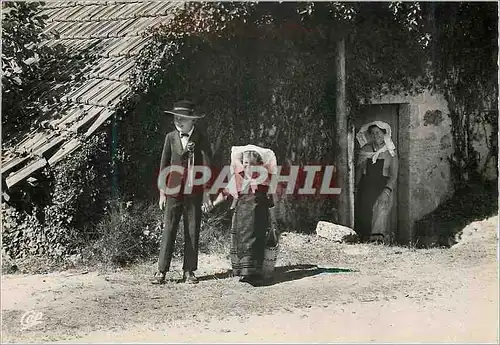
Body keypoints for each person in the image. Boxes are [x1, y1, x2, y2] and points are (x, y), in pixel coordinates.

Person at [152, 100, 213, 285]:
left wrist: (206, 193)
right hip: (173, 190)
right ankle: (161, 271)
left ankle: (189, 271)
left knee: (192, 229)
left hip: (193, 191)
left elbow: (207, 168)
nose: (179, 122)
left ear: (193, 121)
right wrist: (162, 192)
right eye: (176, 118)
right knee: (169, 228)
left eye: (183, 119)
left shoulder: (201, 138)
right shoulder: (170, 138)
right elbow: (163, 166)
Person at [208, 145, 280, 286]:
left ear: (259, 165)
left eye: (253, 164)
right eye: (246, 163)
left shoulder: (265, 179)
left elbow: (271, 198)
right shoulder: (238, 177)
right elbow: (226, 193)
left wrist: (273, 216)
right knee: (243, 243)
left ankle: (255, 272)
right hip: (242, 217)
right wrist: (214, 203)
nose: (249, 167)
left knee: (257, 242)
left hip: (259, 217)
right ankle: (243, 272)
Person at [354, 121, 398, 243]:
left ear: (384, 134)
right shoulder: (365, 149)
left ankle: (377, 244)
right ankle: (364, 244)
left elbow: (394, 175)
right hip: (366, 187)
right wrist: (356, 188)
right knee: (364, 215)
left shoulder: (391, 151)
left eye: (378, 132)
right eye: (372, 133)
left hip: (383, 187)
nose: (375, 136)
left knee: (380, 214)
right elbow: (359, 170)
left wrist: (387, 191)